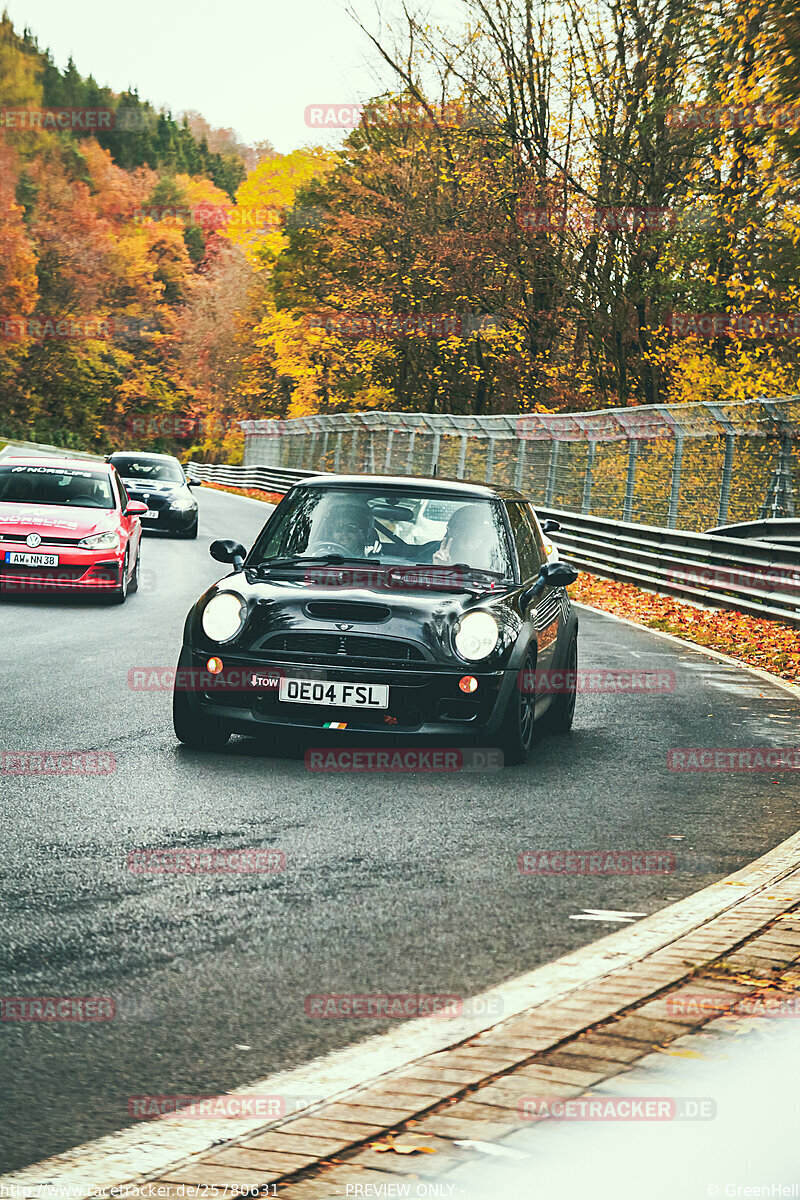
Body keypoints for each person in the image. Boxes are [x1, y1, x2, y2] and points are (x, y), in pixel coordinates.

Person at [308, 496, 376, 557]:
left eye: (351, 529)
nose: (344, 534)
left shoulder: (370, 557)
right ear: (331, 534)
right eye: (338, 529)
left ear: (360, 534)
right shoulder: (319, 557)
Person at [432, 504, 496, 568]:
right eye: (469, 525)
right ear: (454, 532)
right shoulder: (434, 554)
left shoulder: (493, 558)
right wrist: (441, 567)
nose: (483, 531)